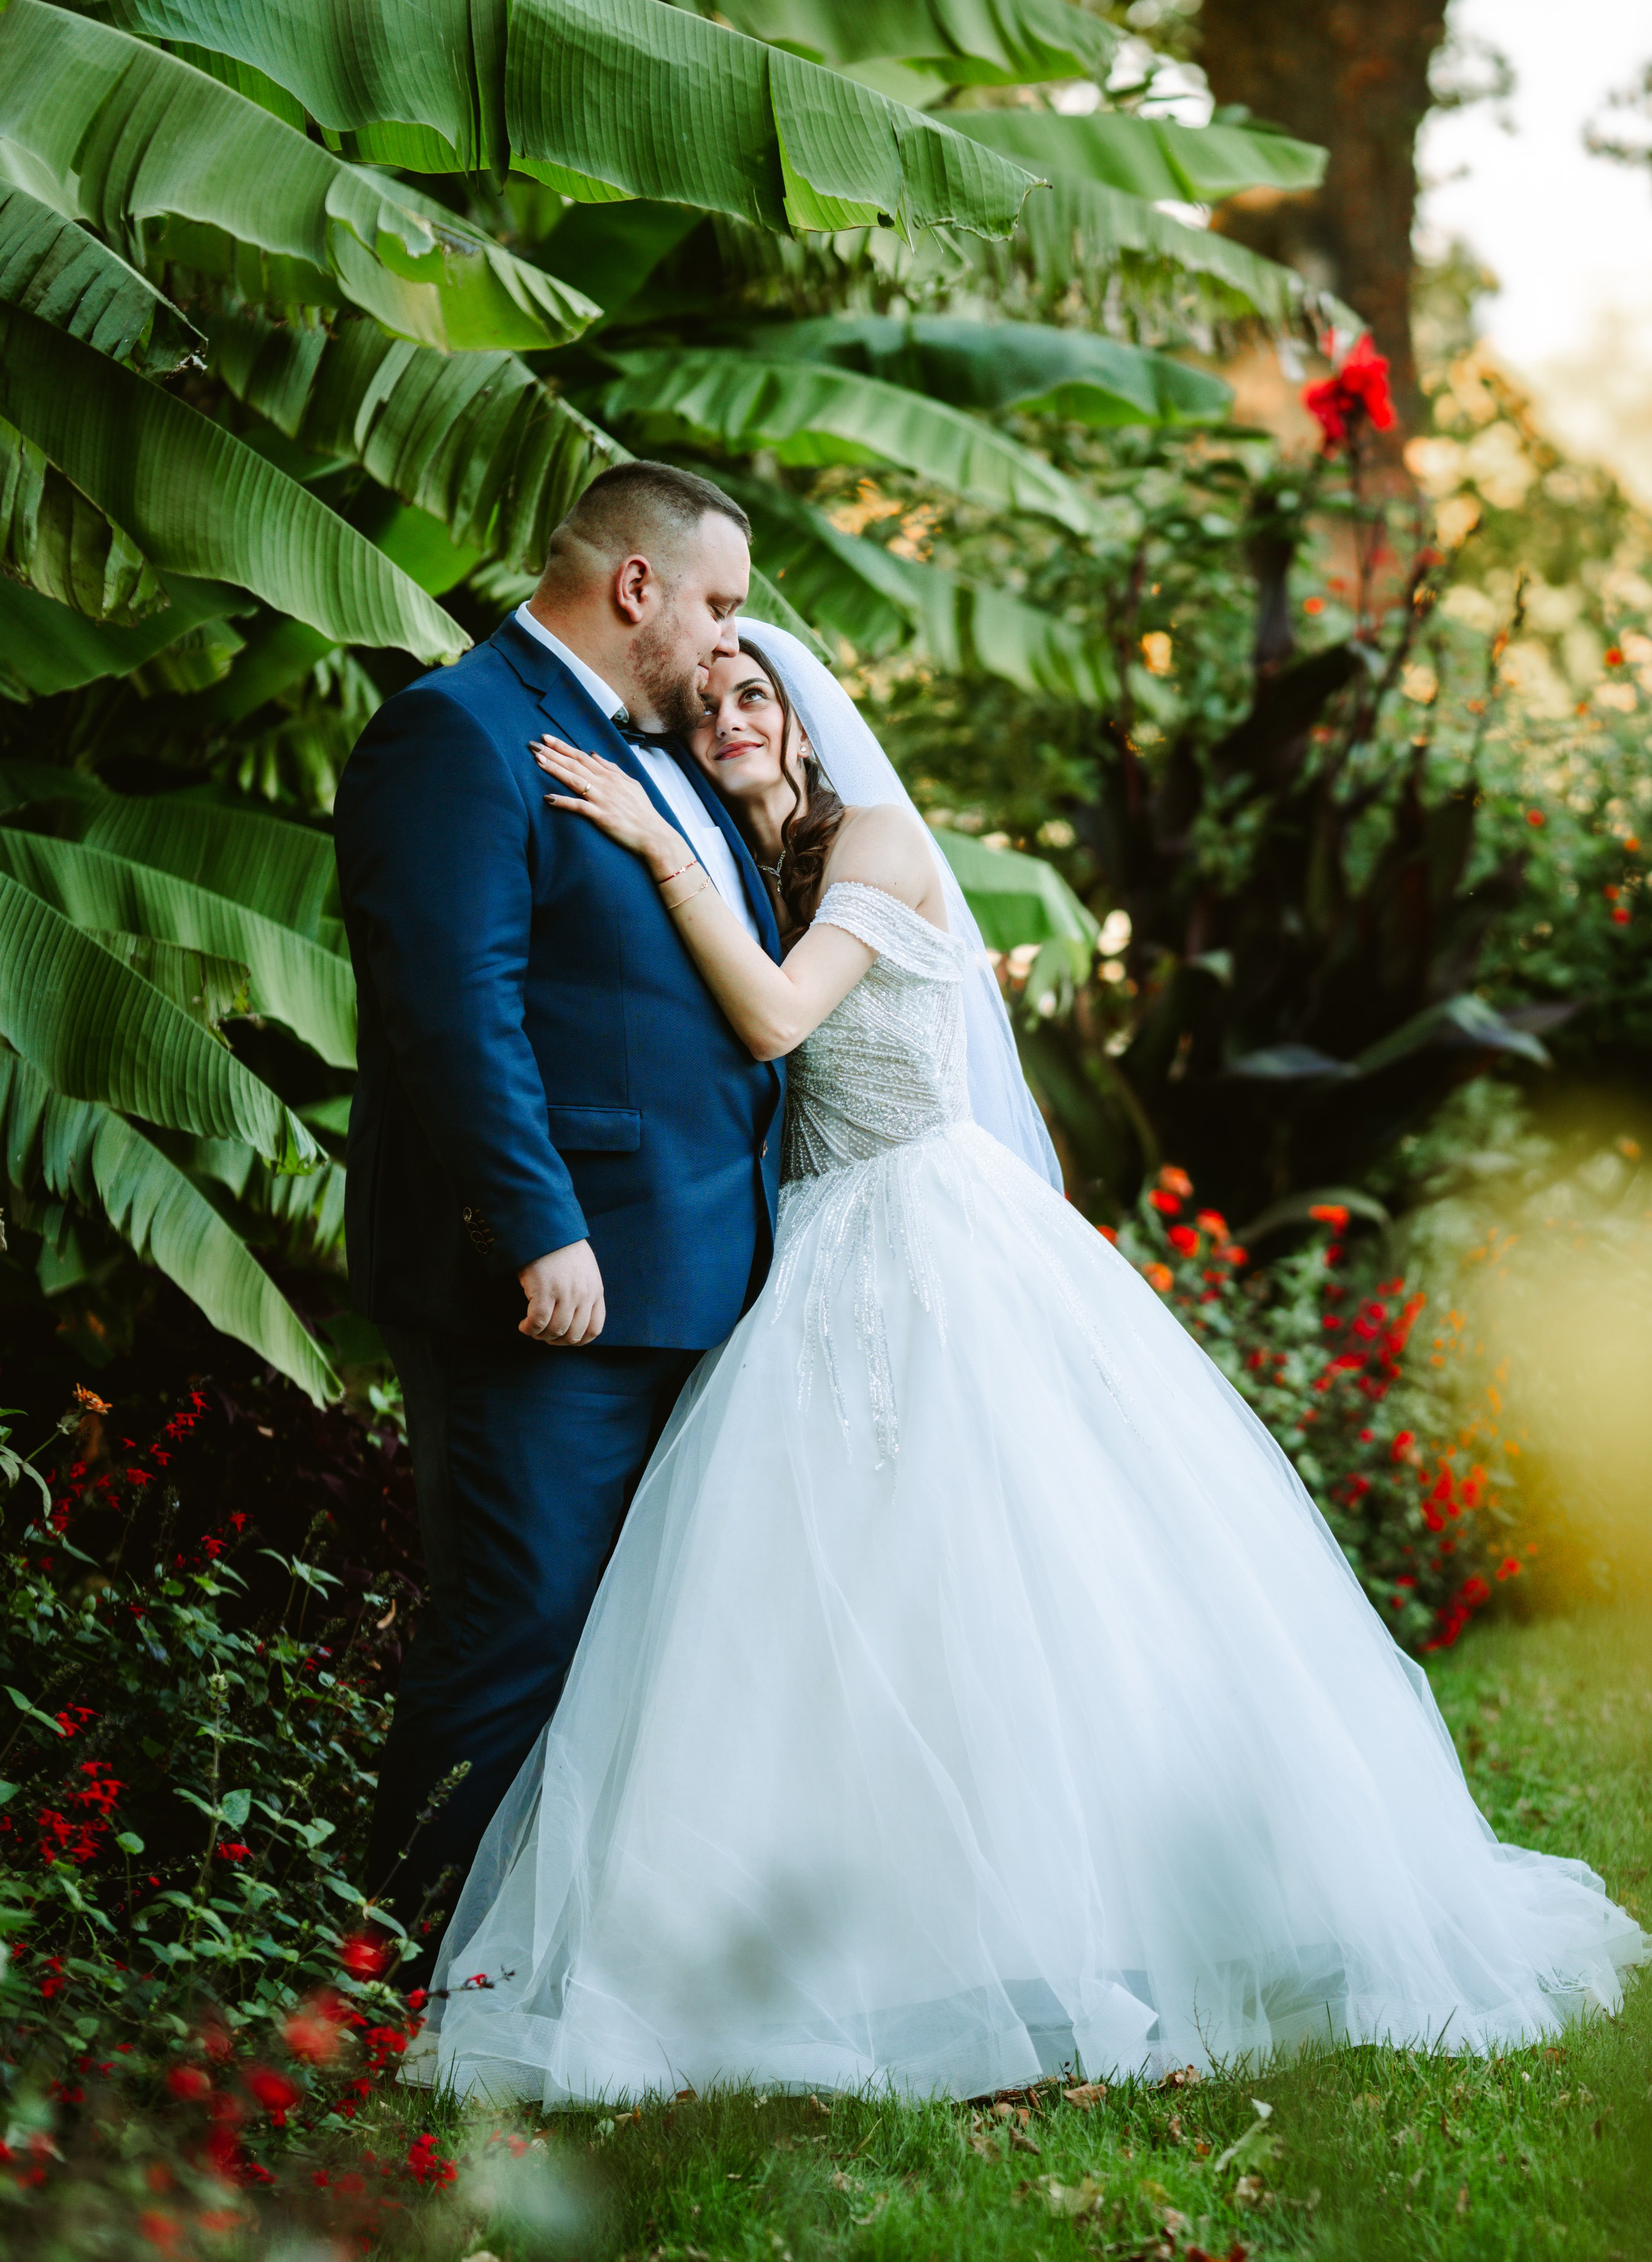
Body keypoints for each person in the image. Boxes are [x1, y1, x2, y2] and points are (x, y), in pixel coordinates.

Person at [410, 624, 1646, 2103]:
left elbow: (779, 1016)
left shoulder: (871, 842)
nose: (729, 715)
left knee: (1019, 1571)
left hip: (933, 1240)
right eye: (706, 705)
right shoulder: (755, 875)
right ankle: (876, 1933)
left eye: (755, 695)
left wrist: (655, 848)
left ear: (802, 723)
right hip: (811, 1261)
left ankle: (1117, 1913)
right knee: (838, 1597)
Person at [332, 463, 783, 1928]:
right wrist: (536, 1228)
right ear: (635, 585)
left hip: (695, 1272)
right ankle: (391, 1979)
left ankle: (546, 1966)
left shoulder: (660, 753)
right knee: (515, 1630)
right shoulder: (456, 732)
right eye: (717, 604)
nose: (728, 642)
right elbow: (451, 1010)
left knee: (633, 1651)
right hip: (551, 1288)